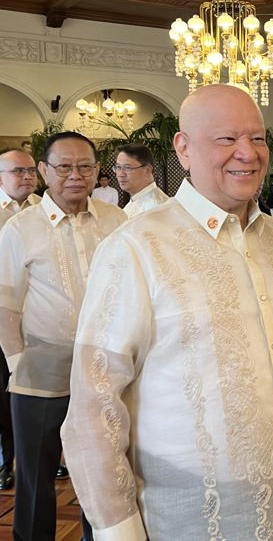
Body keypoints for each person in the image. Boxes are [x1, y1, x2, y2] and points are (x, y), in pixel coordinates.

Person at [61, 85, 273, 540]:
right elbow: (94, 407)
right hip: (179, 518)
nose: (247, 154)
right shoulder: (137, 246)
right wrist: (119, 530)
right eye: (226, 139)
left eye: (257, 138)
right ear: (184, 148)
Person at [0, 132, 126, 541]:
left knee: (103, 472)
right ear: (44, 171)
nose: (75, 176)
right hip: (40, 374)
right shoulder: (20, 229)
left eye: (85, 166)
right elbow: (6, 307)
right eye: (64, 167)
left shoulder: (116, 221)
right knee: (36, 477)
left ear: (96, 170)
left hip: (106, 371)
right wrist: (21, 367)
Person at [0, 148, 42, 491]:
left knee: (31, 394)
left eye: (31, 171)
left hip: (34, 320)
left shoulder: (44, 210)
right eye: (18, 171)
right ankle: (6, 461)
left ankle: (43, 459)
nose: (27, 177)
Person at [114, 143, 169, 217]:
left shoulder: (157, 207)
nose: (120, 174)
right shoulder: (134, 200)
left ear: (147, 170)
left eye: (127, 168)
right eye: (118, 167)